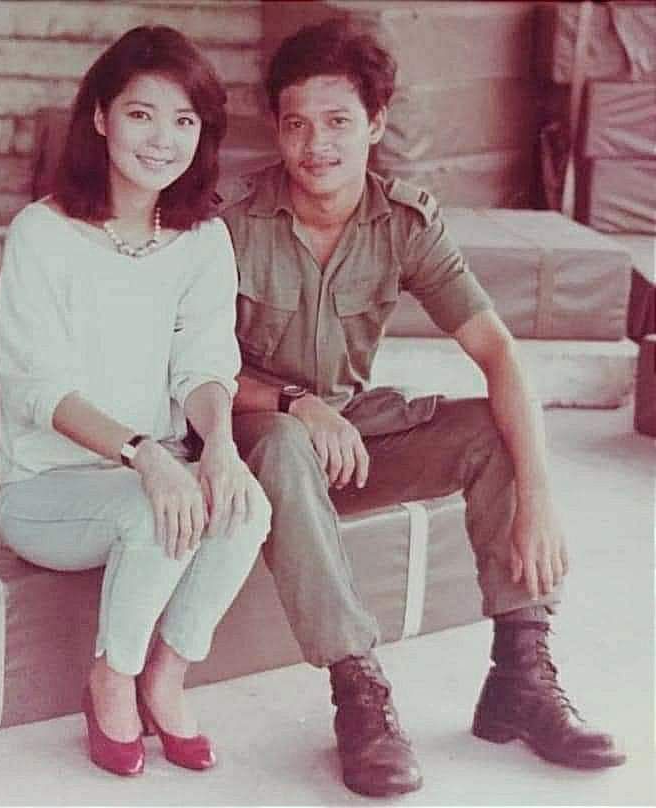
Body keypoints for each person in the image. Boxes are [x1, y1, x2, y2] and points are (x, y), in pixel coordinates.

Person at [221, 17, 626, 798]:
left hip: (349, 437)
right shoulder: (232, 220)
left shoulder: (403, 222)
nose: (315, 145)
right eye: (296, 124)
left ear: (375, 122)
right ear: (274, 126)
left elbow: (498, 352)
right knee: (281, 440)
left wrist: (538, 496)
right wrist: (296, 403)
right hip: (251, 441)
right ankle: (358, 691)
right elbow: (188, 368)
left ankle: (519, 676)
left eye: (338, 121)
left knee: (489, 430)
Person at [0, 25, 270, 777]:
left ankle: (166, 677)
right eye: (142, 114)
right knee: (155, 509)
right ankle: (111, 678)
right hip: (47, 489)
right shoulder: (41, 235)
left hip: (152, 468)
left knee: (244, 504)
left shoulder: (201, 239)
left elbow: (205, 364)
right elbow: (40, 389)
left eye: (185, 120)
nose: (163, 140)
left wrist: (219, 449)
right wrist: (144, 454)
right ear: (100, 117)